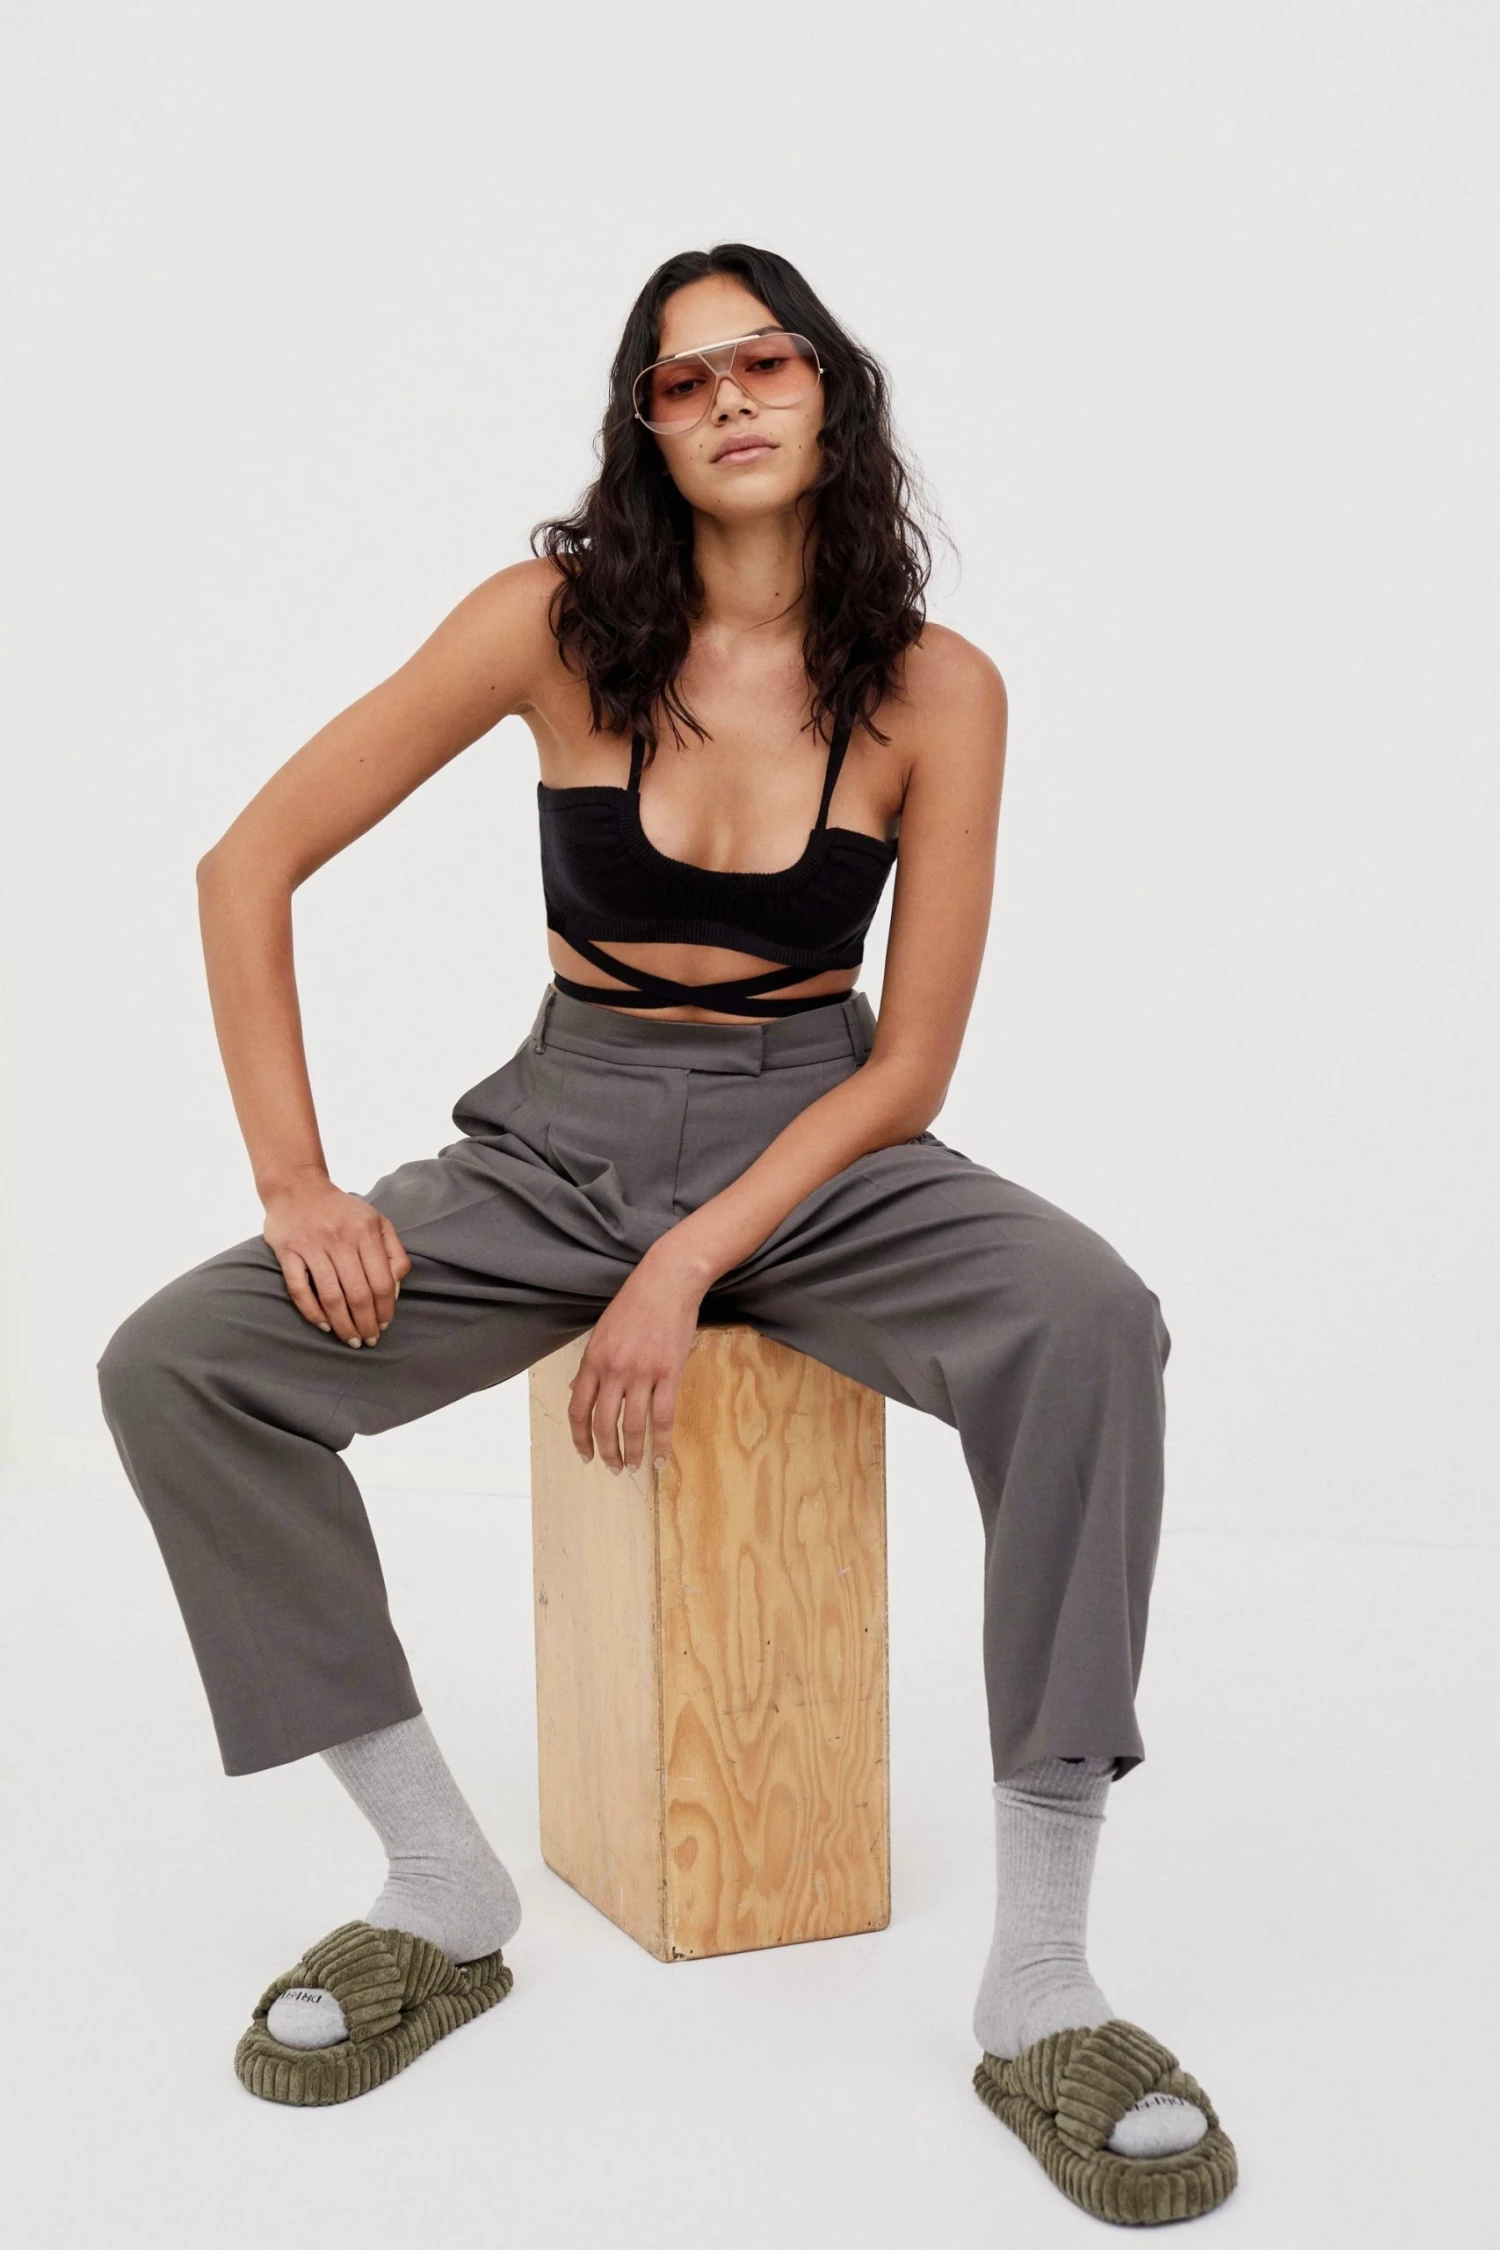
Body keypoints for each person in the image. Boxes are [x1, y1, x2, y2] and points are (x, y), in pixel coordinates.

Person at [96, 242, 1235, 2218]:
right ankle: (438, 1883)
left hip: (830, 1148)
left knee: (1089, 1318)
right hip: (561, 1144)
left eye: (763, 360)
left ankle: (1042, 1977)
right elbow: (243, 863)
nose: (728, 398)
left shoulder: (939, 688)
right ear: (648, 427)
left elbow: (914, 1066)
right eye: (682, 377)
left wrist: (690, 1262)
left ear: (829, 391)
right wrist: (296, 1182)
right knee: (180, 1364)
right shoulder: (548, 625)